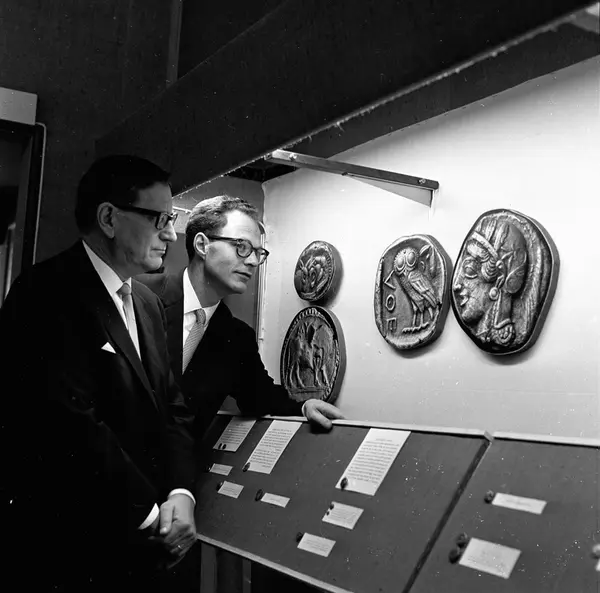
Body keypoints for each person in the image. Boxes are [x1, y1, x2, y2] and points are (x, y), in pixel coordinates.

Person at [0, 155, 198, 592]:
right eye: (160, 219)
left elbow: (173, 407)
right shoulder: (44, 291)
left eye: (173, 219)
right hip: (69, 552)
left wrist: (181, 493)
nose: (171, 234)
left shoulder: (146, 302)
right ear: (108, 218)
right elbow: (66, 424)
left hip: (143, 547)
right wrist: (151, 515)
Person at [138, 195, 343, 441]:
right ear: (202, 245)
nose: (254, 261)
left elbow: (260, 396)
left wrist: (304, 407)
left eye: (258, 252)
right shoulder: (136, 293)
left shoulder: (236, 338)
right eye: (242, 247)